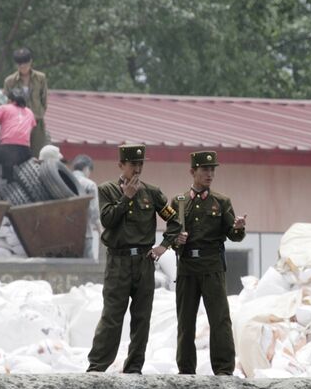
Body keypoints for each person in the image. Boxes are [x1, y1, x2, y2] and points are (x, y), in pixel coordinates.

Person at [87, 144, 181, 374]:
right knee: (112, 316)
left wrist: (164, 246)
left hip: (143, 261)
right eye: (132, 164)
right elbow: (108, 220)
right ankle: (97, 367)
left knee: (142, 318)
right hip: (118, 262)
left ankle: (134, 367)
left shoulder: (152, 192)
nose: (137, 169)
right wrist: (126, 199)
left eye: (140, 164)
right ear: (121, 165)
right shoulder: (107, 190)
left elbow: (175, 220)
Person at [167, 150, 246, 376]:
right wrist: (176, 240)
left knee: (219, 320)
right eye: (204, 169)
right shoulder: (180, 202)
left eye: (212, 170)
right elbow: (171, 234)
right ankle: (186, 370)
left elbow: (233, 234)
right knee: (185, 321)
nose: (209, 174)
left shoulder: (221, 202)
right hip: (187, 268)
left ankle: (223, 369)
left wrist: (239, 227)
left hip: (212, 267)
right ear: (193, 172)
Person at [0, 87, 36, 183]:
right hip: (25, 154)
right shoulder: (30, 112)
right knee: (8, 160)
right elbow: (28, 132)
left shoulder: (4, 108)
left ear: (9, 100)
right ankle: (9, 180)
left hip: (7, 151)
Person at [3, 47, 49, 157]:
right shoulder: (10, 81)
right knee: (19, 156)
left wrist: (38, 114)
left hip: (37, 122)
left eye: (25, 63)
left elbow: (44, 99)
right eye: (19, 64)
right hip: (18, 125)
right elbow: (7, 103)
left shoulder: (40, 78)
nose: (23, 66)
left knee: (38, 155)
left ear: (30, 62)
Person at [71, 154, 102, 259]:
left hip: (64, 236)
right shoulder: (89, 185)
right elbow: (94, 213)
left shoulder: (62, 180)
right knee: (87, 269)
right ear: (86, 168)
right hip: (85, 234)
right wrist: (100, 232)